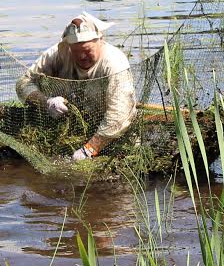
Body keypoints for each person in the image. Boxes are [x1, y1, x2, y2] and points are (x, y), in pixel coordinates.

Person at [15, 12, 137, 161]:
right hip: (69, 128)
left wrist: (90, 149)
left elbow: (119, 115)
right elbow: (23, 83)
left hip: (110, 135)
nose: (81, 57)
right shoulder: (59, 52)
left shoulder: (115, 63)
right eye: (76, 51)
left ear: (101, 41)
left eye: (87, 51)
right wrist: (46, 102)